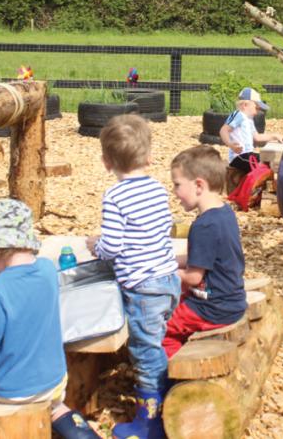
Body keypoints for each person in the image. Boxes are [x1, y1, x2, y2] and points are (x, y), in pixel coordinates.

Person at [0, 198, 100, 439]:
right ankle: (83, 433)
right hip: (53, 380)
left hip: (9, 389)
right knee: (55, 405)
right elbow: (28, 302)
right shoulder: (47, 270)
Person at [85, 114, 180, 439]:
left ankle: (150, 421)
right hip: (168, 280)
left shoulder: (115, 197)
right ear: (150, 156)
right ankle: (170, 393)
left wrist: (95, 246)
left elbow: (112, 245)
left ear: (106, 161)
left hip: (144, 289)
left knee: (144, 351)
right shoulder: (157, 188)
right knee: (159, 341)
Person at [163, 145, 248, 357]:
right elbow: (205, 259)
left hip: (212, 308)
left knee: (158, 328)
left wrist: (161, 272)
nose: (174, 193)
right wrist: (170, 261)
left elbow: (192, 277)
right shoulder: (224, 213)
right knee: (174, 299)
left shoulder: (204, 226)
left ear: (199, 185)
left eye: (177, 185)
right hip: (232, 300)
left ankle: (169, 377)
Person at [219, 87, 283, 175]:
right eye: (256, 108)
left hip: (247, 155)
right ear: (245, 105)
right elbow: (223, 130)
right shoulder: (237, 115)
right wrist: (230, 144)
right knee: (263, 163)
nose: (257, 112)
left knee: (265, 161)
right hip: (239, 157)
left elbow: (257, 137)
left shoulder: (249, 120)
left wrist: (275, 136)